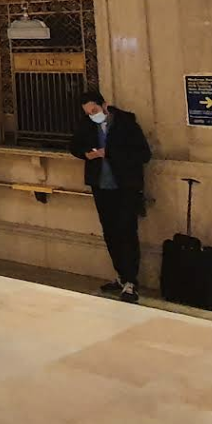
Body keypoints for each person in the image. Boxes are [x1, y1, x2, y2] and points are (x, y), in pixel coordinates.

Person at [70, 89, 152, 304]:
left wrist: (111, 153)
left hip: (125, 187)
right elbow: (75, 146)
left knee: (127, 231)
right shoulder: (87, 125)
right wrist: (86, 153)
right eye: (88, 113)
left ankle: (131, 280)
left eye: (95, 110)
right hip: (102, 186)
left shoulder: (126, 123)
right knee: (110, 232)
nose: (92, 115)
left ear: (104, 106)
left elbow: (143, 154)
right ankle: (121, 275)